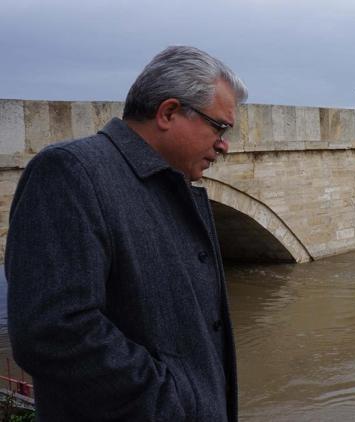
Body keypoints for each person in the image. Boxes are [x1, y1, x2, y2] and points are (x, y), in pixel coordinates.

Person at [4, 45, 247, 421]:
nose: (224, 144)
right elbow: (53, 331)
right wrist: (174, 401)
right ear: (168, 112)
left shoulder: (171, 185)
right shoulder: (70, 173)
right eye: (219, 126)